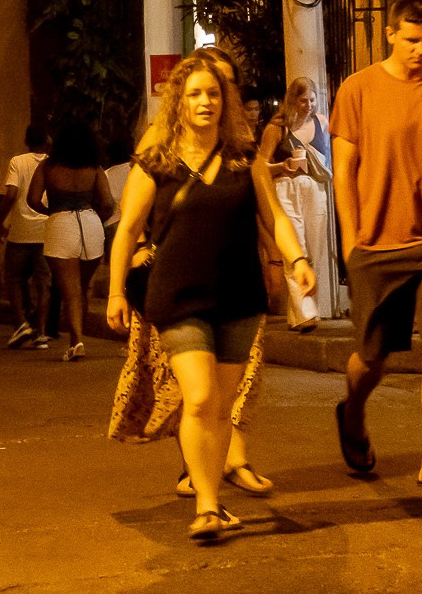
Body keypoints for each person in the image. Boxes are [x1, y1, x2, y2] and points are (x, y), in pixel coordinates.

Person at [108, 54, 314, 542]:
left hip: (238, 295)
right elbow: (127, 230)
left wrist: (297, 260)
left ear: (226, 103)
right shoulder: (155, 162)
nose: (205, 102)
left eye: (214, 94)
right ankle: (205, 504)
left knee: (221, 406)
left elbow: (275, 219)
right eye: (195, 94)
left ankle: (213, 500)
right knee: (199, 397)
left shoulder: (246, 160)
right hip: (178, 296)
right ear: (178, 102)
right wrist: (116, 289)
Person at [330, 0, 422, 493]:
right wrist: (351, 240)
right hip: (377, 242)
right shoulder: (358, 90)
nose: (421, 50)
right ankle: (352, 412)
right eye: (411, 40)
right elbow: (343, 172)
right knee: (373, 357)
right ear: (390, 33)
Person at [28, 118, 115, 360]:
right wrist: (96, 217)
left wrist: (51, 212)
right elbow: (108, 203)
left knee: (70, 290)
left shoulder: (47, 167)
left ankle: (76, 340)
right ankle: (78, 338)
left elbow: (33, 199)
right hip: (90, 223)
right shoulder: (94, 168)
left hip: (61, 224)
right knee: (82, 288)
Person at [267, 77, 333, 330]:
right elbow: (261, 165)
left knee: (313, 251)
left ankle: (298, 316)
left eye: (312, 100)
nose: (308, 105)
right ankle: (306, 312)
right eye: (303, 100)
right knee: (296, 250)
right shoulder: (278, 128)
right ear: (292, 100)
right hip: (286, 187)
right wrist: (281, 166)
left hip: (315, 188)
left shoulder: (322, 122)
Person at [0, 126, 52, 349]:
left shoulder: (18, 161)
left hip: (21, 231)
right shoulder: (52, 162)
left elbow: (10, 194)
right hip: (46, 230)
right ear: (46, 140)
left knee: (14, 278)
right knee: (43, 283)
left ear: (26, 140)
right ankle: (42, 333)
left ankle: (21, 323)